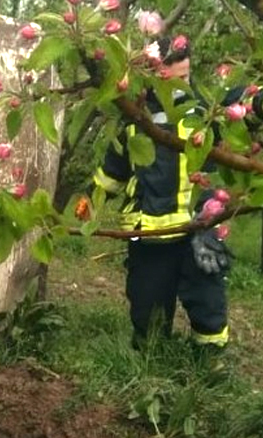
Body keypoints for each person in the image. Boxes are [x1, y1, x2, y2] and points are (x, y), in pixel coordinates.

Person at [91, 35, 235, 350]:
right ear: (154, 74)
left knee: (206, 299)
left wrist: (212, 226)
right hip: (149, 233)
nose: (185, 84)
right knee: (147, 304)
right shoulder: (134, 117)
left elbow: (215, 176)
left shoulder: (203, 116)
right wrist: (89, 204)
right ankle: (148, 358)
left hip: (196, 231)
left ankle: (209, 361)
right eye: (177, 78)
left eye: (187, 75)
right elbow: (113, 173)